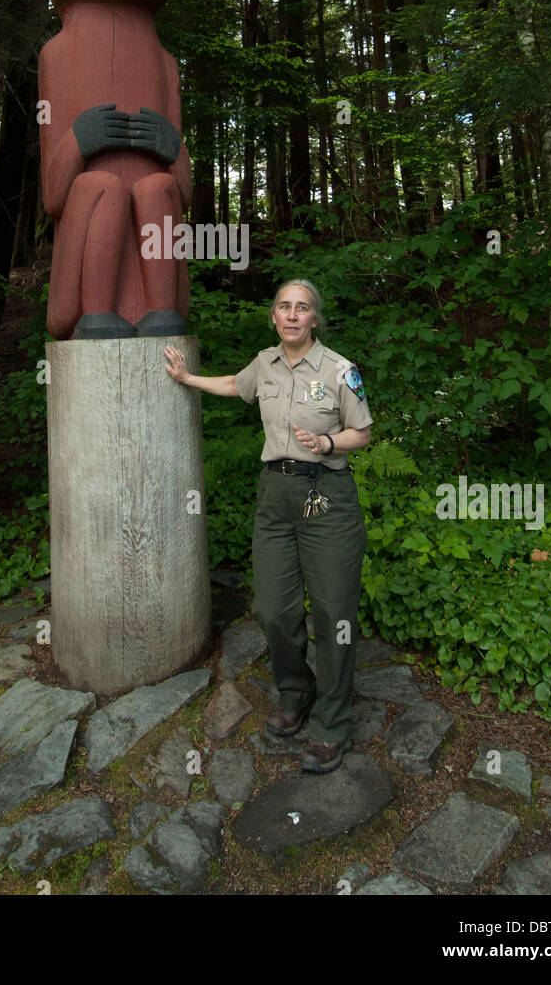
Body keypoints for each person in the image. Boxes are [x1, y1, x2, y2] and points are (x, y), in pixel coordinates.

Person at [163, 279, 372, 773]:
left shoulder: (341, 370)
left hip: (326, 497)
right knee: (274, 610)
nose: (293, 315)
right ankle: (296, 693)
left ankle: (333, 720)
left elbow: (361, 433)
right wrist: (188, 379)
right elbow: (237, 385)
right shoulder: (265, 363)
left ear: (315, 319)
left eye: (302, 308)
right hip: (275, 496)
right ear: (274, 317)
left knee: (333, 613)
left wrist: (326, 445)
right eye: (284, 307)